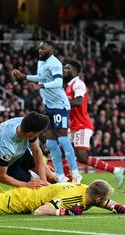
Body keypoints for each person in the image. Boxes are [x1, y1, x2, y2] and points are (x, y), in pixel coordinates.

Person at [0, 148, 125, 216]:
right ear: (96, 197)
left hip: (27, 194)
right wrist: (67, 212)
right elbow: (40, 211)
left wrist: (117, 207)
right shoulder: (74, 197)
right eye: (105, 200)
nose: (105, 202)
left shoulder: (86, 189)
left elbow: (103, 200)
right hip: (21, 202)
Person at [12, 41, 81, 183]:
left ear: (51, 49)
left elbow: (57, 82)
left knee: (62, 138)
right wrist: (24, 77)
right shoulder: (41, 63)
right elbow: (40, 77)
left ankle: (75, 173)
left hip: (60, 105)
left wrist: (40, 86)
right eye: (39, 48)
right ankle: (61, 176)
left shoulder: (55, 63)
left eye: (43, 48)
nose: (40, 50)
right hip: (49, 106)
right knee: (50, 143)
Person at [63, 61, 125, 187]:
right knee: (64, 150)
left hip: (82, 125)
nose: (64, 70)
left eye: (67, 68)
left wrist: (61, 103)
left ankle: (117, 170)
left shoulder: (78, 84)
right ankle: (69, 181)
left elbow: (79, 102)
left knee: (81, 156)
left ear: (74, 71)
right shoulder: (68, 86)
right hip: (73, 125)